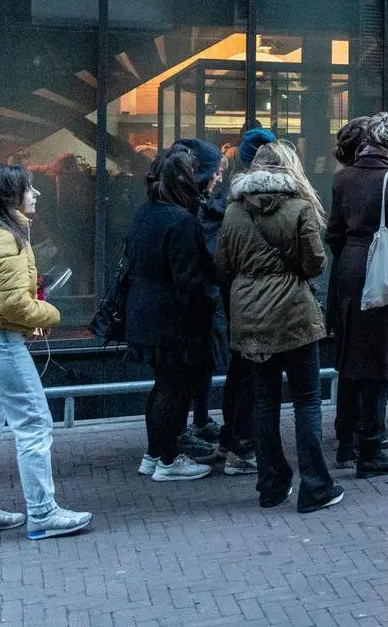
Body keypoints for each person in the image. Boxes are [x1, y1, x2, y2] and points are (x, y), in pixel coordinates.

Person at [0, 164, 92, 539]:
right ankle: (43, 513)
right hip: (0, 342)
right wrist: (52, 313)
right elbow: (14, 304)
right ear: (11, 197)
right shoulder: (6, 239)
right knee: (34, 424)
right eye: (29, 189)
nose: (36, 194)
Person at [216, 142, 342, 513]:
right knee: (307, 400)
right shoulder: (300, 208)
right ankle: (315, 486)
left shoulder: (233, 211)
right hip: (294, 316)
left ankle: (271, 484)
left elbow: (222, 265)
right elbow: (316, 264)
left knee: (264, 401)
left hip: (250, 317)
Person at [123, 150, 220, 483]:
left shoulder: (144, 213)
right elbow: (188, 280)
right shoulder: (181, 220)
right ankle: (169, 459)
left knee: (162, 386)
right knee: (174, 388)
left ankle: (154, 454)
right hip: (173, 320)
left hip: (143, 312)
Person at [327, 113, 388, 479]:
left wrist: (349, 255)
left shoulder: (343, 177)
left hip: (348, 267)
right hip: (380, 269)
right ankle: (372, 448)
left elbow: (333, 232)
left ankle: (345, 442)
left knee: (349, 358)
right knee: (381, 361)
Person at [171, 137, 255, 474]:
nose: (219, 178)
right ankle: (181, 439)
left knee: (199, 368)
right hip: (200, 303)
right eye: (216, 172)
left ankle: (194, 427)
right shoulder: (197, 212)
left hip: (202, 302)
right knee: (194, 369)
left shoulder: (197, 207)